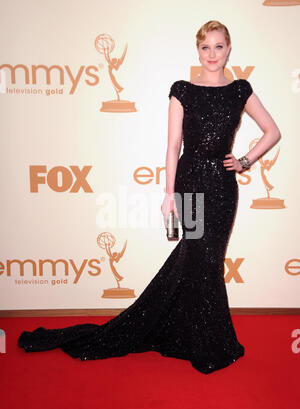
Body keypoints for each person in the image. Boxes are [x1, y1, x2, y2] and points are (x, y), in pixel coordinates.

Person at [18, 20, 281, 374]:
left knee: (208, 262)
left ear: (228, 49)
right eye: (205, 47)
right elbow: (173, 146)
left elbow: (272, 131)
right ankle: (204, 341)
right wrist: (169, 194)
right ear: (197, 51)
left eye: (218, 46)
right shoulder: (182, 90)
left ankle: (199, 336)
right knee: (198, 258)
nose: (212, 54)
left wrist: (246, 160)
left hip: (222, 186)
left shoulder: (240, 90)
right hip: (189, 182)